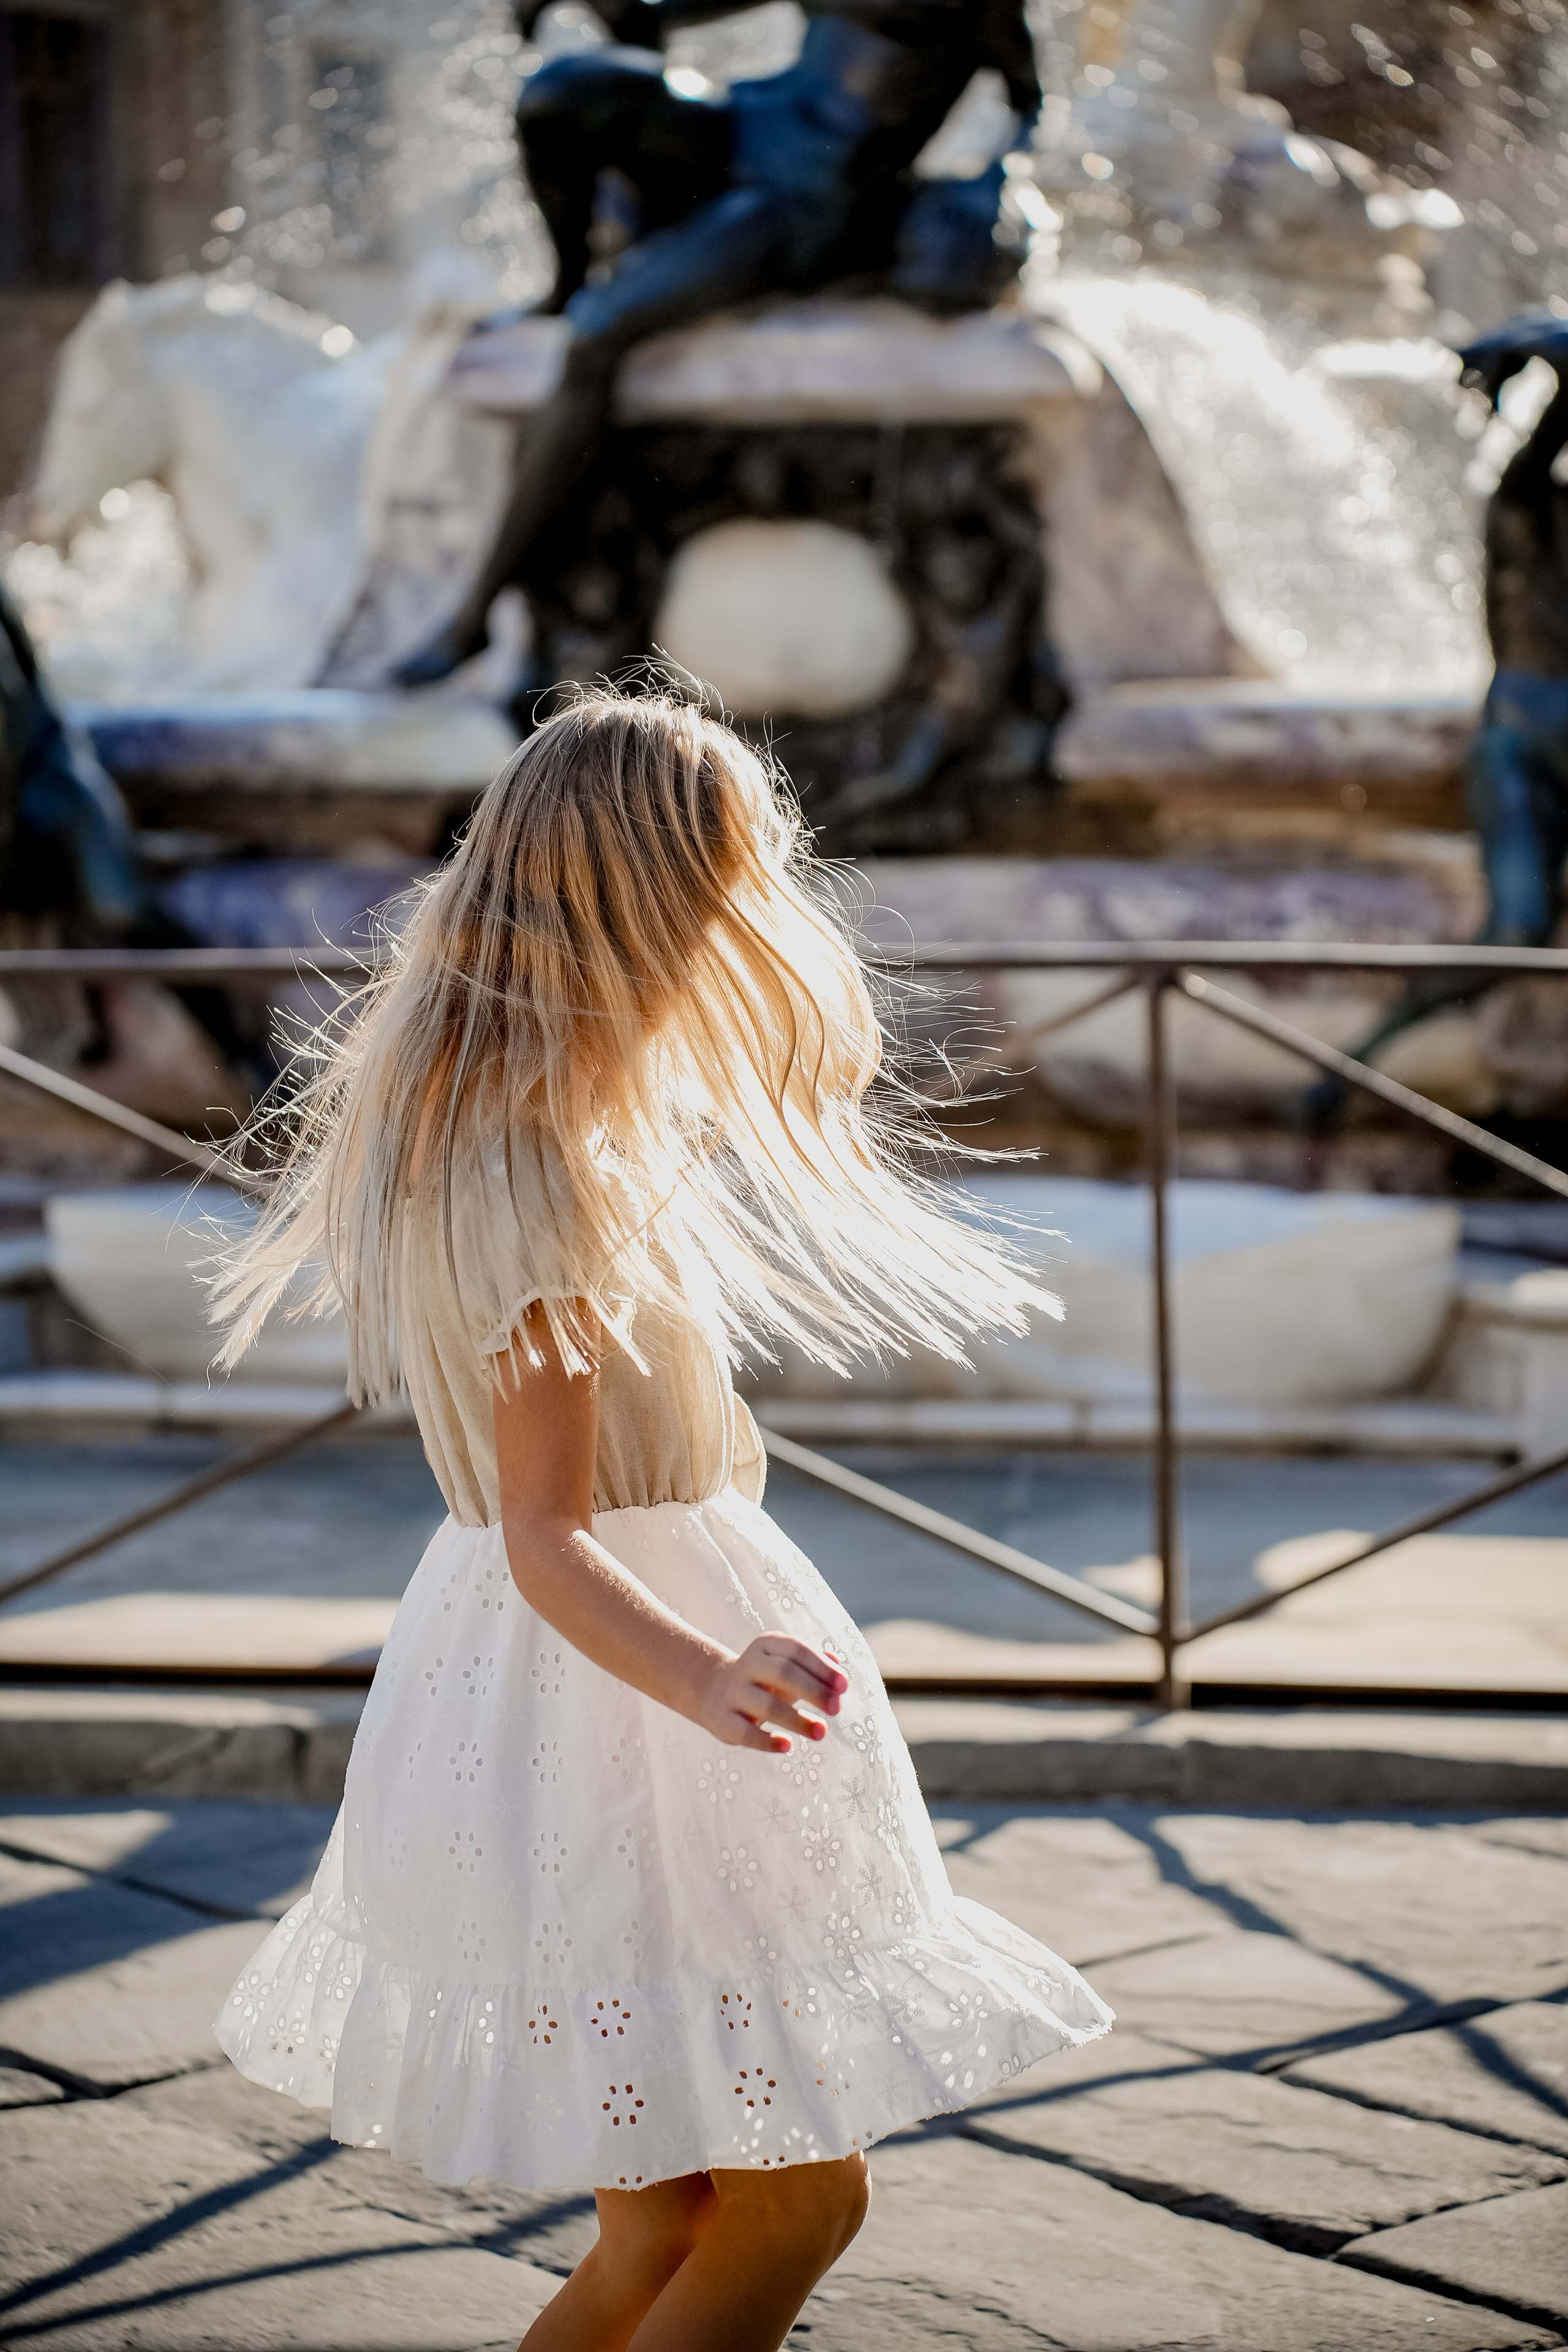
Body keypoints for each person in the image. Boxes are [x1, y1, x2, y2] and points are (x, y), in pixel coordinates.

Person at [211, 687, 1110, 2351]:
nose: (758, 911)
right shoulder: (545, 1169)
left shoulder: (494, 1133)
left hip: (543, 1698)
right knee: (796, 2200)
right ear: (660, 905)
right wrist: (704, 1678)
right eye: (736, 877)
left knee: (671, 2225)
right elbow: (554, 1533)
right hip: (626, 1704)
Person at [393, 0, 1041, 688]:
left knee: (597, 339)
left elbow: (1029, 104)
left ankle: (472, 613)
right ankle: (566, 280)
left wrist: (995, 186)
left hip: (812, 195)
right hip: (746, 127)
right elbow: (660, 17)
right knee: (564, 92)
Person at [1303, 309, 1568, 1130]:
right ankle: (1356, 1065)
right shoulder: (1524, 511)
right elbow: (1542, 449)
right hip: (1521, 749)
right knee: (1517, 929)